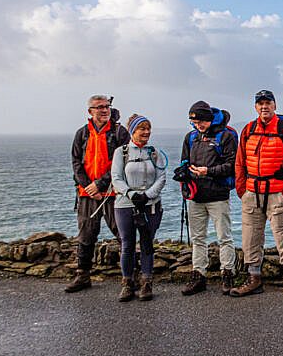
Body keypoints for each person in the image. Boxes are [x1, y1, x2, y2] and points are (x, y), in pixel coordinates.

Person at [231, 90, 283, 298]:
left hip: (277, 191)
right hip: (252, 191)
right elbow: (240, 160)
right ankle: (254, 278)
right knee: (250, 236)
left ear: (274, 105)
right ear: (255, 107)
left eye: (268, 103)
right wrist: (242, 189)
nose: (264, 107)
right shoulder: (248, 129)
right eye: (260, 103)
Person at [66, 95, 130, 293]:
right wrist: (87, 187)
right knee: (86, 236)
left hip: (113, 193)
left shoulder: (120, 132)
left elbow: (124, 162)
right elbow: (76, 162)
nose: (104, 110)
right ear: (90, 111)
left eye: (107, 106)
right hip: (87, 195)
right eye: (99, 107)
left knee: (123, 236)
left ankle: (128, 278)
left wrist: (100, 184)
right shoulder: (82, 134)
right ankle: (83, 275)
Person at [179, 100, 237, 296]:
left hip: (218, 194)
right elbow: (184, 161)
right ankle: (198, 276)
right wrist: (184, 172)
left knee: (224, 237)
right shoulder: (191, 137)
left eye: (201, 121)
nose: (198, 125)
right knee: (198, 239)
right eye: (194, 122)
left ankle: (228, 274)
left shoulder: (226, 136)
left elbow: (232, 165)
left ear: (209, 118)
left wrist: (208, 171)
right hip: (196, 194)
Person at [110, 114, 167, 302]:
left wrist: (147, 195)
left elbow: (161, 177)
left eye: (148, 128)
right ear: (132, 131)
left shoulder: (154, 153)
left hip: (151, 205)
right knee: (127, 244)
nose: (146, 132)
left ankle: (146, 283)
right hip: (125, 204)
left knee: (147, 244)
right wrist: (132, 194)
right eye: (142, 128)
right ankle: (127, 284)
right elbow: (116, 178)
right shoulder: (122, 152)